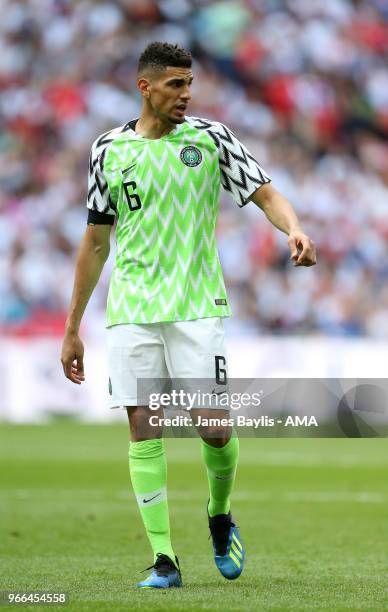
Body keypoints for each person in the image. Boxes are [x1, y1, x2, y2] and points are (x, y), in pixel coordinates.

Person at [60, 42, 316, 590]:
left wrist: (292, 227)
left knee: (215, 429)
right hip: (131, 309)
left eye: (189, 83)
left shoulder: (211, 139)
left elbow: (266, 194)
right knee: (142, 427)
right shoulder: (106, 151)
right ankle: (163, 560)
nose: (187, 94)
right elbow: (95, 242)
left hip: (197, 307)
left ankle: (219, 516)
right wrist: (72, 326)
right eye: (176, 84)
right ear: (145, 87)